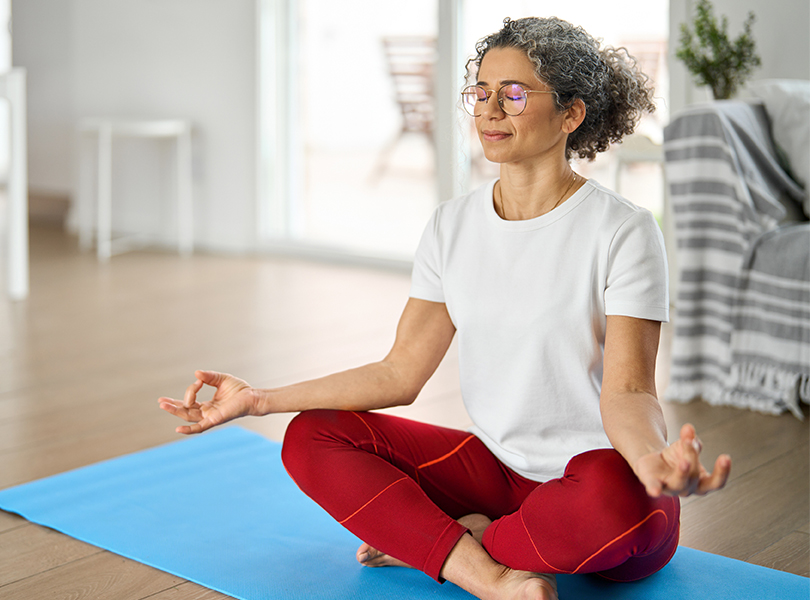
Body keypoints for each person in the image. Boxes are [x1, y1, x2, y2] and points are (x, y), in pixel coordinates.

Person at [159, 16, 731, 600]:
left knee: (623, 500)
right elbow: (398, 373)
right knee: (310, 437)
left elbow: (630, 392)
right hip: (495, 471)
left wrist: (653, 459)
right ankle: (484, 575)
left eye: (512, 94)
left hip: (594, 479)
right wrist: (260, 399)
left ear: (571, 115)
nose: (488, 111)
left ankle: (443, 544)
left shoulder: (623, 230)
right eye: (480, 93)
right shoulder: (451, 226)